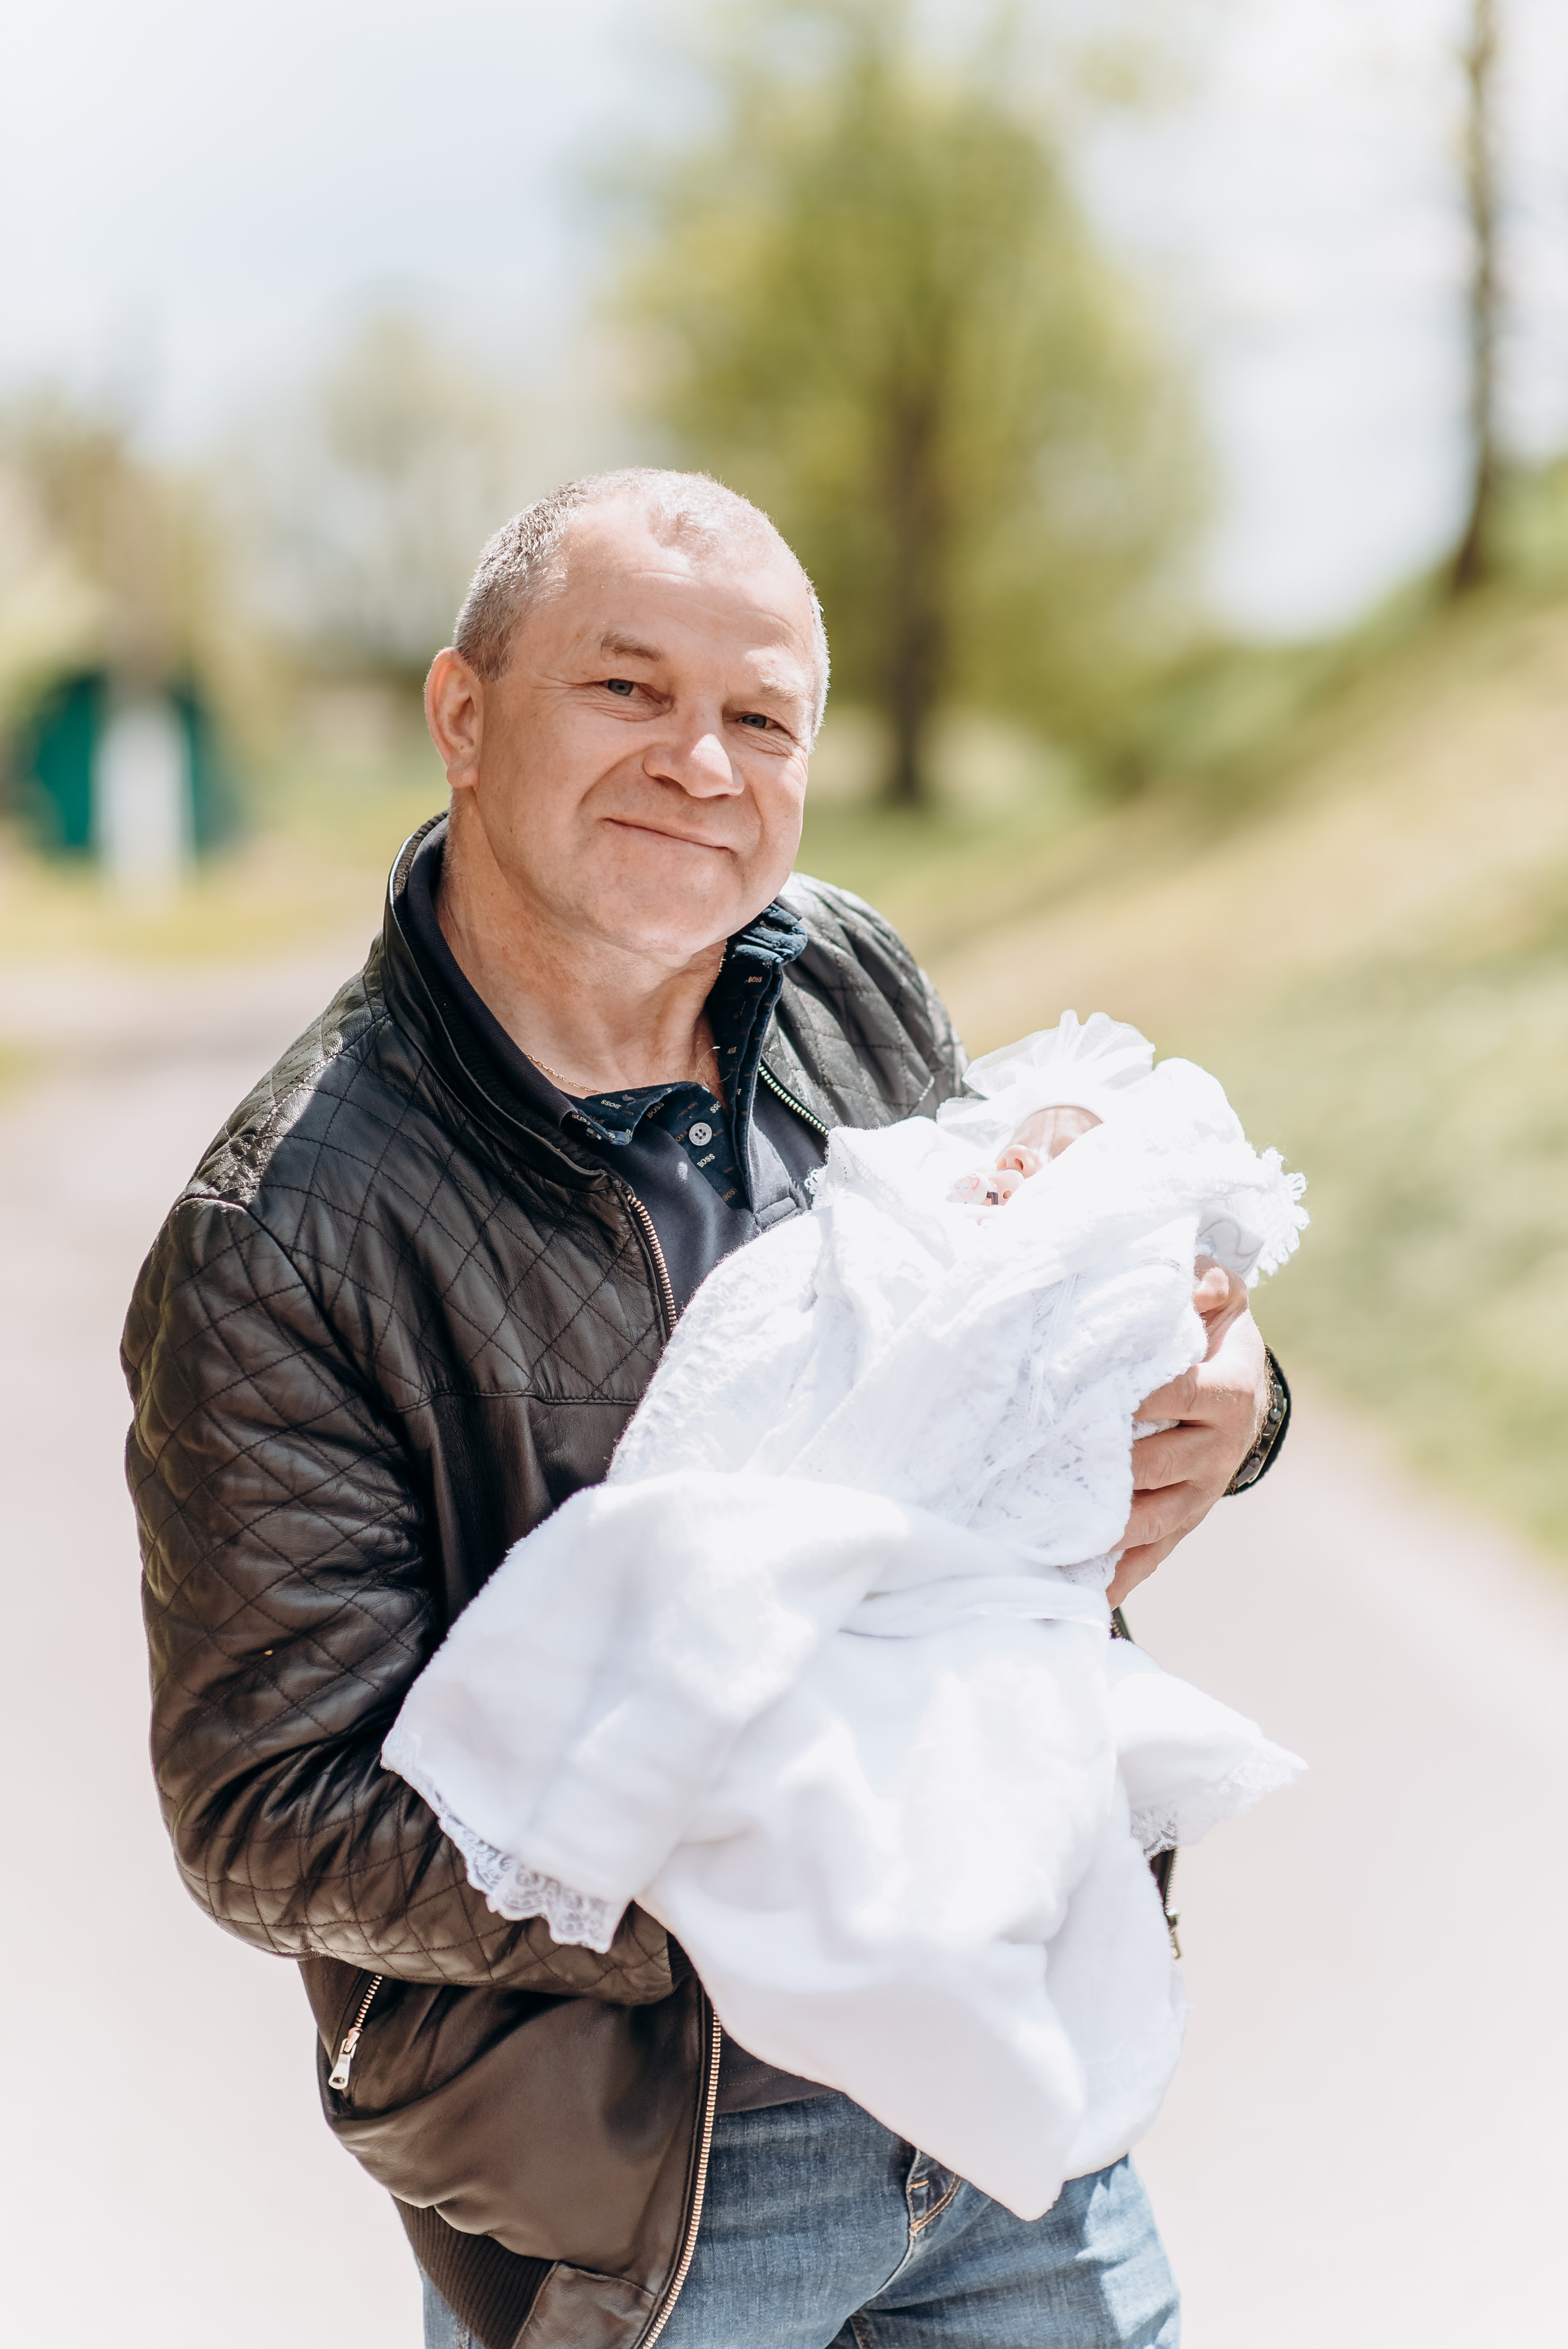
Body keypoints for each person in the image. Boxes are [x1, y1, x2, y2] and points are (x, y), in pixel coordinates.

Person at [124, 469, 1291, 2349]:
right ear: (463, 712)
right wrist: (779, 1880)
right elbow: (269, 1811)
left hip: (1007, 2114)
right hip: (649, 2208)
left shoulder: (842, 978)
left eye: (761, 717)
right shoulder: (284, 1235)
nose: (702, 761)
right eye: (627, 689)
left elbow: (1015, 1330)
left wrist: (1236, 1388)